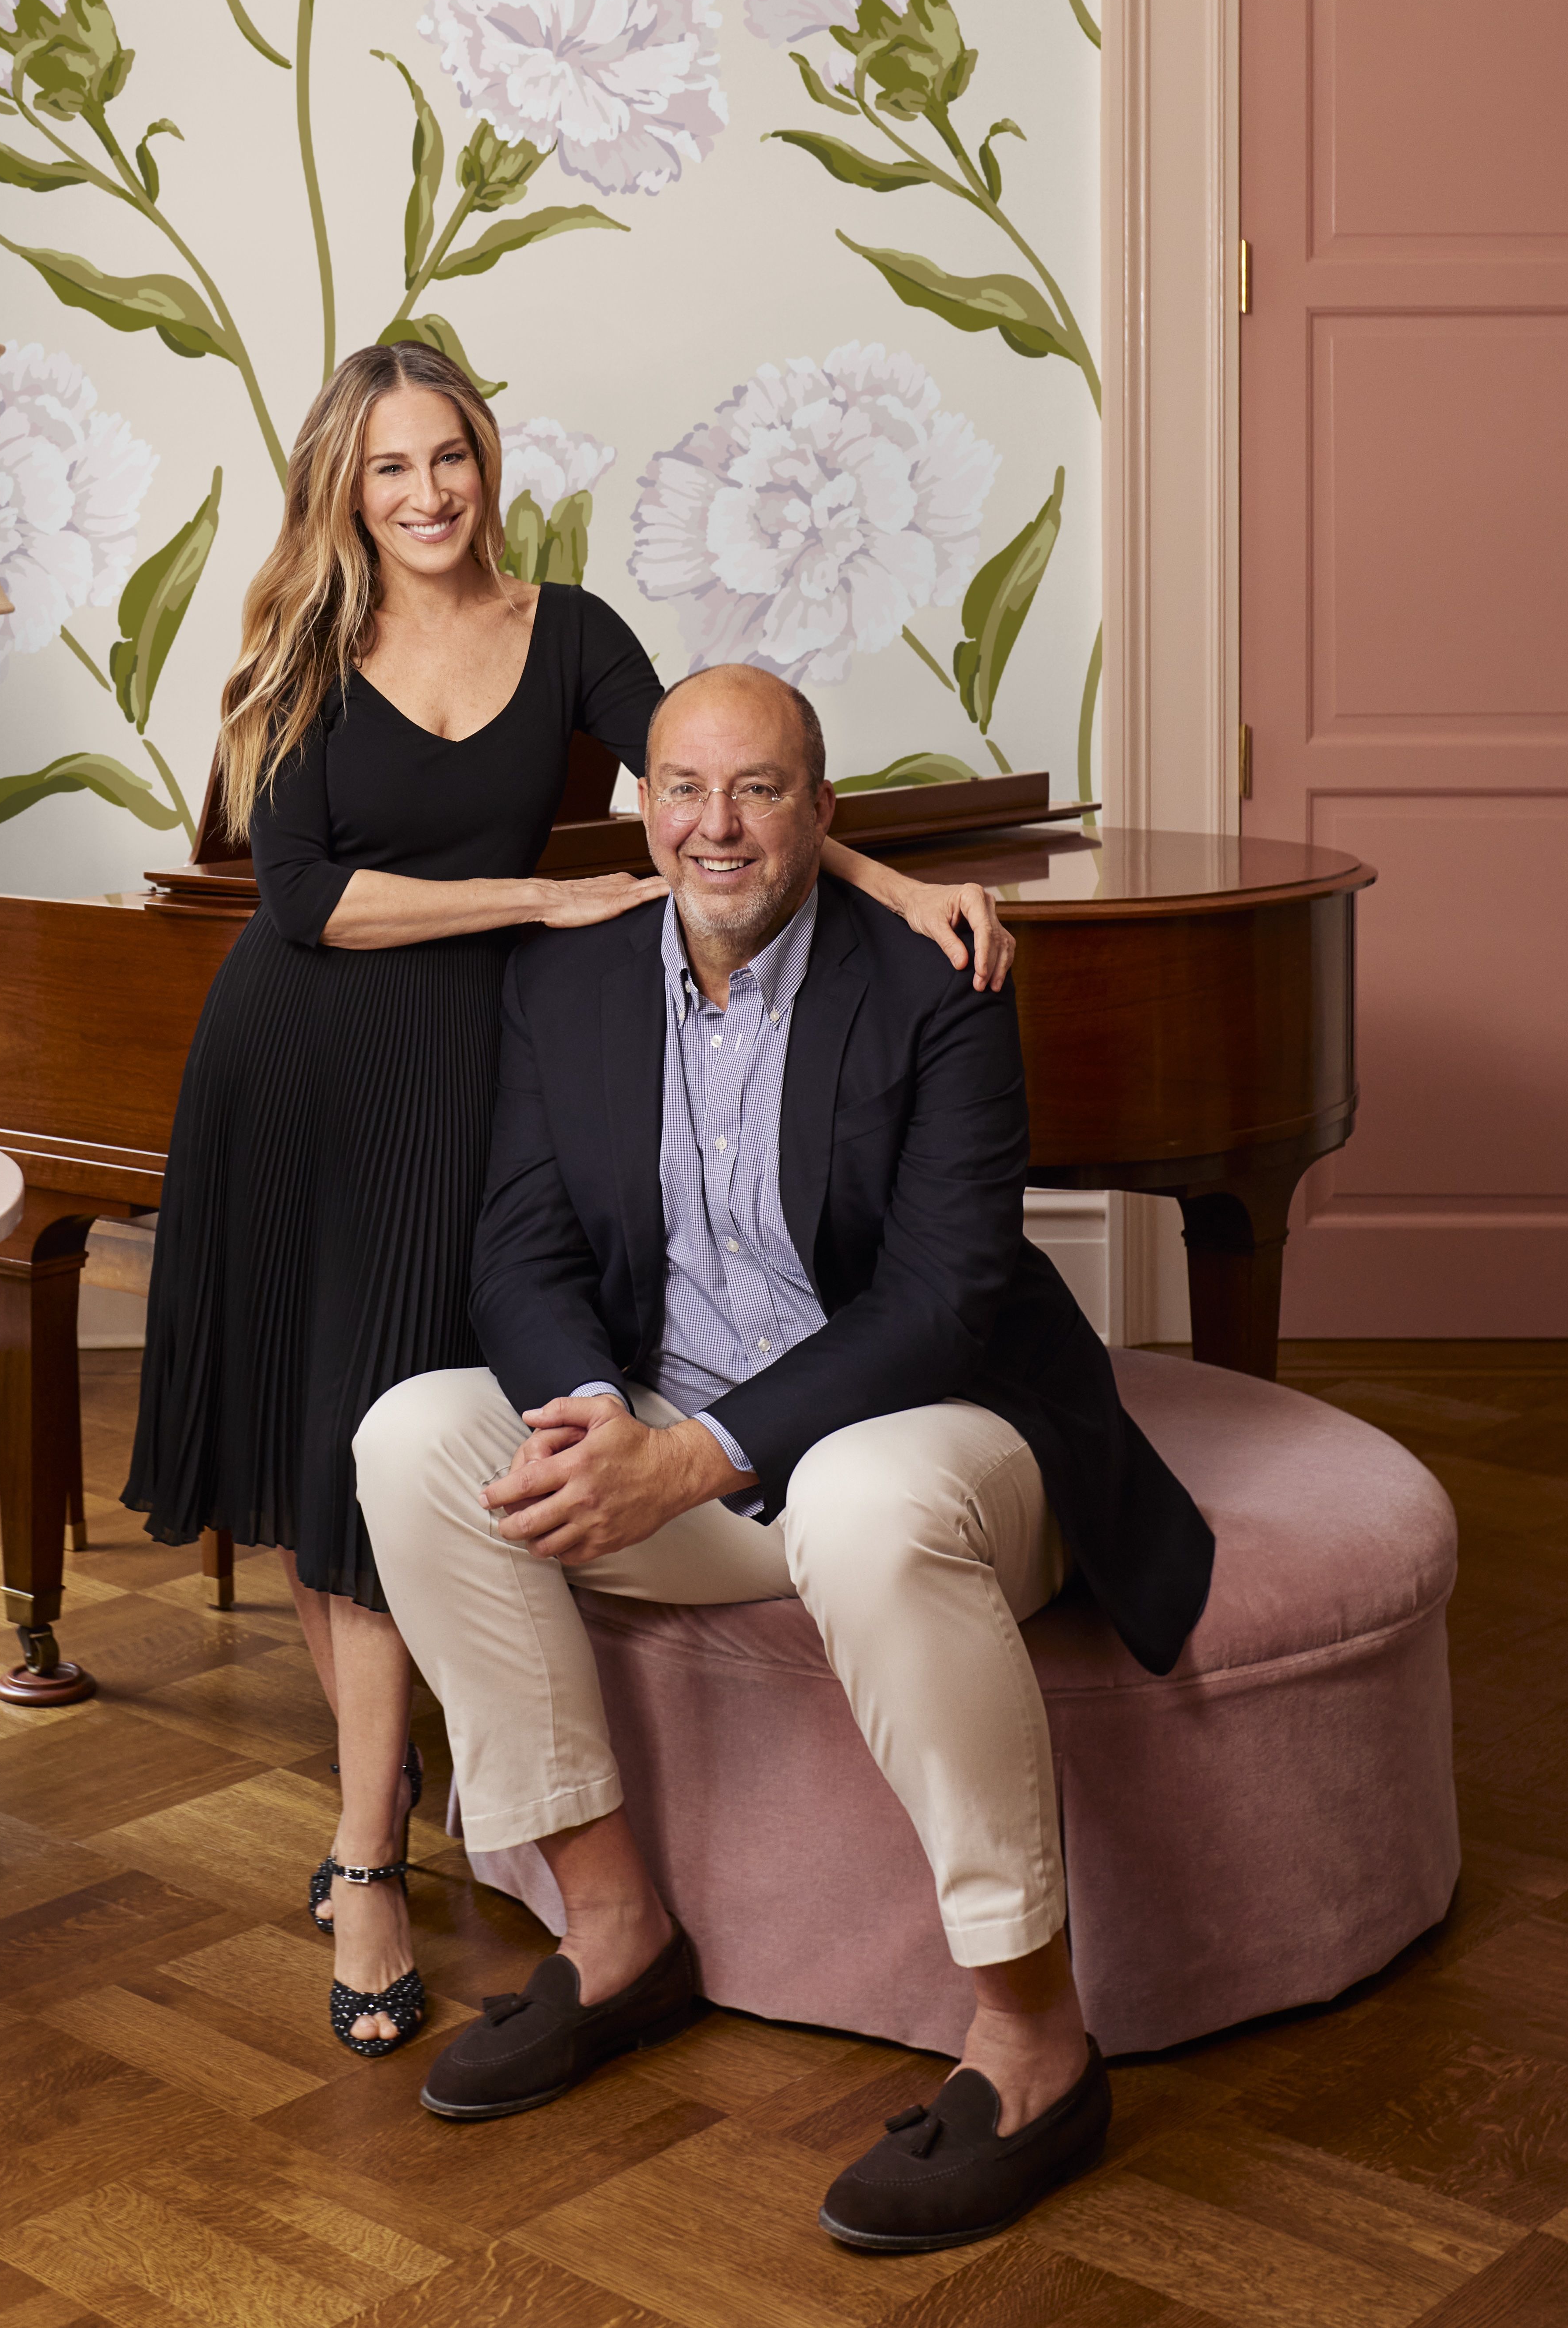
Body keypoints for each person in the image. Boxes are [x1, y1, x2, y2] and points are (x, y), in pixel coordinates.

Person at [125, 342, 1018, 2058]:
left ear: (483, 461)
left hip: (476, 1078)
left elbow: (715, 787)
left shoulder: (573, 633)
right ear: (346, 487)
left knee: (409, 1433)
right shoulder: (307, 649)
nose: (427, 495)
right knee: (334, 1451)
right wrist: (531, 908)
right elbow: (298, 897)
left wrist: (890, 880)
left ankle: (418, 1811)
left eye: (447, 457)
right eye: (389, 469)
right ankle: (366, 1843)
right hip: (303, 1069)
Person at [353, 661, 1214, 2251]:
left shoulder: (937, 975)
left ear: (823, 812)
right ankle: (614, 1932)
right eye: (684, 787)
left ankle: (1034, 2038)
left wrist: (695, 1456)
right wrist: (601, 1423)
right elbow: (518, 1260)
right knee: (414, 1434)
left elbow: (945, 1297)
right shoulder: (575, 981)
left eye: (757, 788)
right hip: (686, 1444)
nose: (717, 824)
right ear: (644, 808)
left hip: (939, 1444)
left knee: (863, 1496)